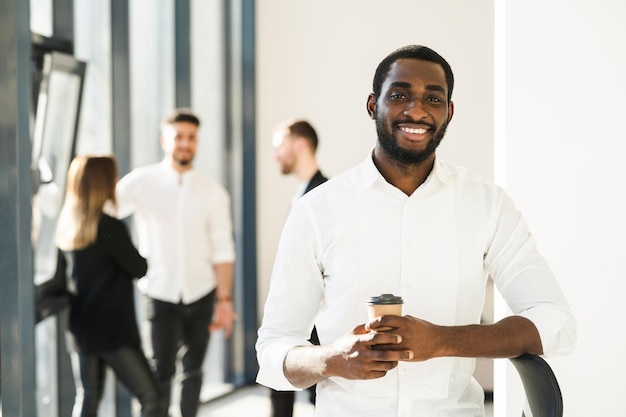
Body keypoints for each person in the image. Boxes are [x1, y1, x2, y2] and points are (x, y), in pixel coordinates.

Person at [255, 45, 577, 416]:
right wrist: (333, 359)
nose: (416, 109)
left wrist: (443, 340)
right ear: (373, 105)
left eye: (433, 98)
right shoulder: (316, 210)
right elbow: (273, 350)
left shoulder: (487, 204)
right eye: (399, 95)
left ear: (449, 112)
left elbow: (557, 323)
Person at [115, 108, 237, 417]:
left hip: (201, 292)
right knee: (160, 370)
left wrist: (224, 300)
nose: (185, 143)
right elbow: (105, 210)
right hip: (158, 292)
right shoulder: (142, 182)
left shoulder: (213, 193)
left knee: (193, 371)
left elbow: (223, 250)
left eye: (191, 137)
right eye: (178, 137)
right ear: (164, 140)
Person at [54, 155, 162, 417]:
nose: (115, 182)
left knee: (88, 396)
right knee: (152, 398)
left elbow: (61, 280)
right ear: (102, 183)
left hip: (82, 329)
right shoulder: (110, 227)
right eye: (112, 177)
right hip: (114, 331)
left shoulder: (69, 226)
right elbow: (139, 268)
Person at [269, 119, 328, 417]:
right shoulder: (307, 193)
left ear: (300, 145)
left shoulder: (322, 196)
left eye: (280, 146)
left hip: (316, 313)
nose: (276, 155)